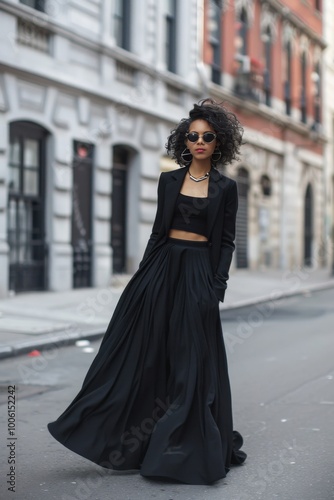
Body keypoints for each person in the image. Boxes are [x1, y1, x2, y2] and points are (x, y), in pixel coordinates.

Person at [48, 98, 247, 485]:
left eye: (207, 136)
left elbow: (225, 243)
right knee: (145, 354)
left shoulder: (226, 188)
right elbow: (158, 233)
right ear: (184, 141)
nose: (200, 142)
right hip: (161, 269)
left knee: (191, 360)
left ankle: (183, 448)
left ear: (218, 142)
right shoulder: (168, 180)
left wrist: (215, 288)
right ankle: (125, 436)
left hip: (197, 274)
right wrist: (141, 279)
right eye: (193, 136)